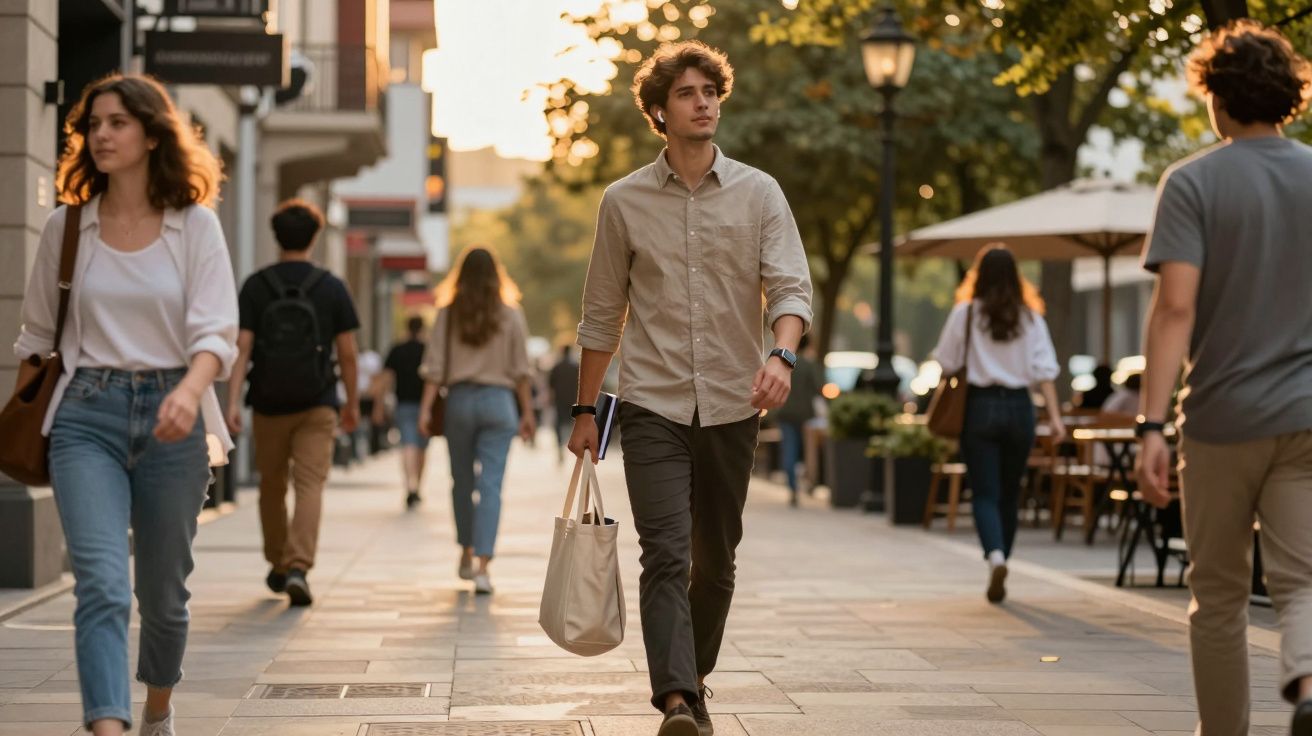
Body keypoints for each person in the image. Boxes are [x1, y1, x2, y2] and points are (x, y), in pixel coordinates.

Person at [569, 41, 813, 736]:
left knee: (717, 564)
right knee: (666, 555)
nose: (703, 101)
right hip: (652, 403)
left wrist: (782, 356)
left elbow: (791, 287)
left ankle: (692, 681)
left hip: (737, 404)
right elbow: (601, 313)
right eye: (687, 92)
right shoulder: (624, 201)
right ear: (658, 111)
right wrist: (587, 410)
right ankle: (676, 698)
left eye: (710, 90)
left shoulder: (759, 192)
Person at [14, 73, 237, 736]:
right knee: (103, 587)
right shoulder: (68, 227)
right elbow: (34, 335)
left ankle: (157, 708)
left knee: (163, 598)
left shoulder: (194, 227)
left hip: (177, 414)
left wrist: (190, 393)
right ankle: (106, 725)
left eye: (116, 123)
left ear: (150, 133)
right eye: (93, 125)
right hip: (87, 416)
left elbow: (215, 332)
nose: (101, 135)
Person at [1136, 20, 1312, 736]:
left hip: (1220, 420)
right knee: (1303, 581)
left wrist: (1151, 425)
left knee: (1217, 594)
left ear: (1216, 96)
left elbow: (1176, 307)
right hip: (1306, 416)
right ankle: (1304, 684)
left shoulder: (1193, 182)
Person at [226, 199, 361, 607]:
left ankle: (278, 563)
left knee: (271, 484)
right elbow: (348, 352)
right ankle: (299, 565)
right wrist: (351, 401)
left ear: (276, 236)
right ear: (315, 237)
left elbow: (242, 347)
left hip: (267, 402)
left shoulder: (255, 285)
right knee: (309, 484)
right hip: (317, 402)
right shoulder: (332, 287)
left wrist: (231, 401)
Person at [933, 244, 1064, 605]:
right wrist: (1054, 418)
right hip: (1021, 408)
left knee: (985, 492)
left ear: (978, 275)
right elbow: (1045, 372)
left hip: (980, 406)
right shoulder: (1030, 318)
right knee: (1010, 490)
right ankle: (1004, 555)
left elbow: (945, 362)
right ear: (1016, 277)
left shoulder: (966, 314)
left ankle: (995, 556)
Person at [419, 246, 536, 595]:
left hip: (459, 401)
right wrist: (527, 412)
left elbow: (434, 368)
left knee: (461, 480)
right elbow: (521, 371)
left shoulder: (448, 314)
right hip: (500, 402)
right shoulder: (511, 314)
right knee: (492, 486)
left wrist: (426, 409)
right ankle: (484, 567)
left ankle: (466, 551)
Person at [376, 315, 430, 509]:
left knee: (408, 445)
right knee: (422, 448)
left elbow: (386, 379)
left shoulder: (397, 350)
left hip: (404, 404)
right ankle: (418, 487)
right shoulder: (427, 350)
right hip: (426, 406)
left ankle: (410, 486)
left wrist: (379, 406)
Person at [772, 333, 822, 506]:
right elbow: (819, 387)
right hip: (805, 415)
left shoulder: (784, 363)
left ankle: (793, 488)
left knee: (789, 450)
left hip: (785, 411)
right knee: (809, 450)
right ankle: (810, 482)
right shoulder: (809, 365)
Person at [548, 345, 580, 465]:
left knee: (559, 424)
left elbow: (551, 385)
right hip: (573, 400)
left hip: (559, 399)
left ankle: (560, 446)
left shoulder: (556, 367)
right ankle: (572, 444)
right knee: (573, 423)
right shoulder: (576, 366)